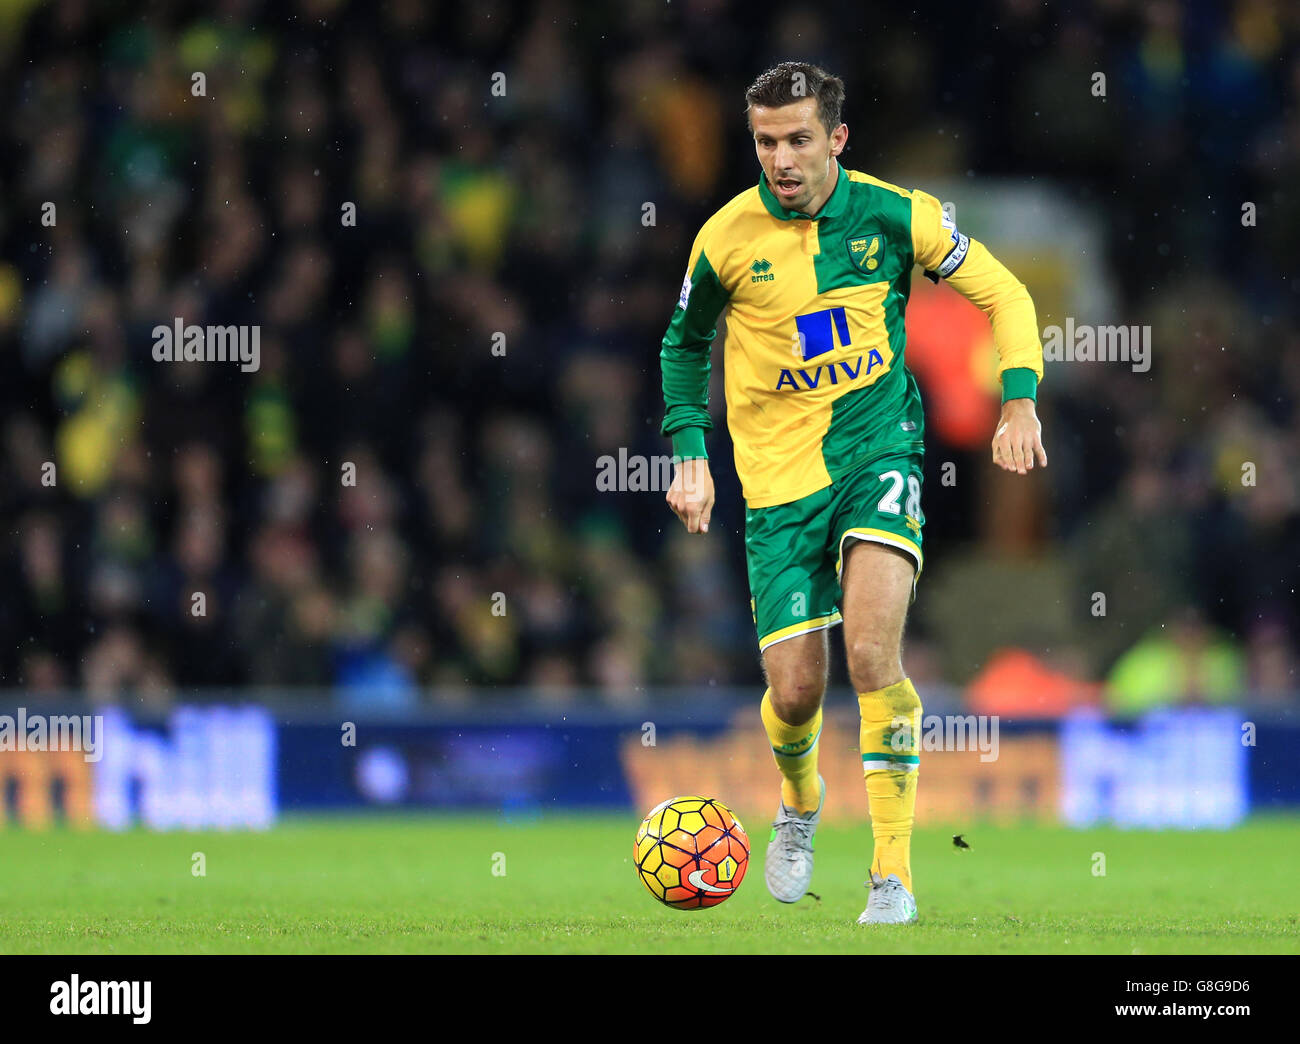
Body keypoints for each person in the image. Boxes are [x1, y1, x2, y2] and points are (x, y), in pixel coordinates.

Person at [659, 62, 1047, 924]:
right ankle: (800, 802)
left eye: (798, 140)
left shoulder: (896, 215)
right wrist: (689, 454)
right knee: (796, 692)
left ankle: (892, 875)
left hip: (880, 453)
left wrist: (1019, 398)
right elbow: (682, 346)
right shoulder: (725, 238)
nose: (781, 160)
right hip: (776, 488)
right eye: (765, 142)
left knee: (872, 656)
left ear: (836, 138)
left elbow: (1005, 292)